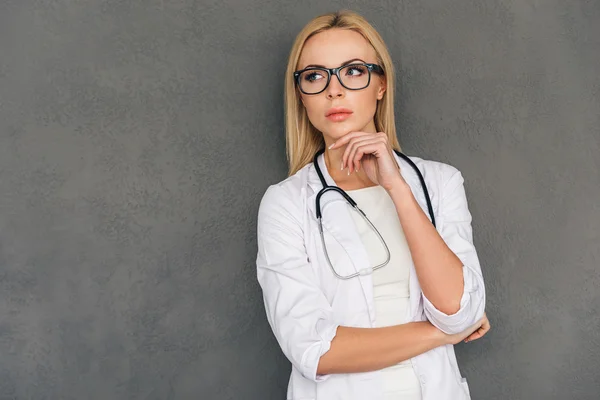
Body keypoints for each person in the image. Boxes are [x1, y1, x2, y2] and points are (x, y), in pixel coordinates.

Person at [255, 10, 490, 400]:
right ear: (301, 95)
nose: (334, 90)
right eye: (315, 76)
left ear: (380, 85)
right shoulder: (285, 203)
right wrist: (445, 332)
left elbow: (456, 307)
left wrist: (397, 188)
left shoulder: (439, 182)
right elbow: (314, 350)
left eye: (354, 71)